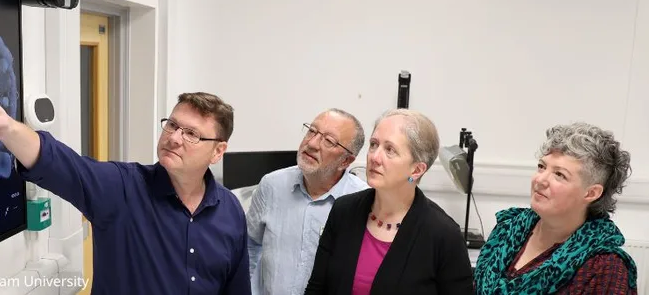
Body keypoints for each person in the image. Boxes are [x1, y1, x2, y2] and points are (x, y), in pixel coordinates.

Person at [0, 77, 251, 295]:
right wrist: (9, 129)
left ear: (217, 151)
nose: (174, 137)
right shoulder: (122, 188)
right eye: (172, 125)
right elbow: (59, 163)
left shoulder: (231, 212)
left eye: (191, 134)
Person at [304, 109, 474, 295]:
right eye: (374, 144)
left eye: (390, 150)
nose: (374, 157)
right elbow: (316, 289)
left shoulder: (444, 235)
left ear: (417, 169)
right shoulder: (343, 211)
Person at [474, 122, 638, 294]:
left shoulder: (604, 268)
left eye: (559, 174)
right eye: (542, 167)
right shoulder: (507, 229)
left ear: (591, 193)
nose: (540, 180)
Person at [246, 109, 370, 295]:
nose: (312, 143)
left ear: (346, 161)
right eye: (312, 131)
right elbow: (249, 243)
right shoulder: (272, 185)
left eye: (329, 141)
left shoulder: (363, 201)